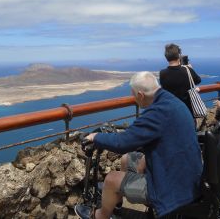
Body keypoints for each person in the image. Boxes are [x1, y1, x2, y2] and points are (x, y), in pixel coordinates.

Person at [74, 71, 203, 219]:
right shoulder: (171, 101)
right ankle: (116, 201)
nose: (135, 100)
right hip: (187, 175)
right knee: (126, 159)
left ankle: (99, 215)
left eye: (134, 96)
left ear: (140, 95)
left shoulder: (156, 113)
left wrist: (96, 137)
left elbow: (122, 143)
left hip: (172, 189)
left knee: (110, 179)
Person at [159, 43, 201, 116]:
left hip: (171, 111)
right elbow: (198, 80)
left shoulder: (162, 73)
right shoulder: (187, 70)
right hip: (187, 111)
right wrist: (190, 68)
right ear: (179, 56)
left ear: (166, 57)